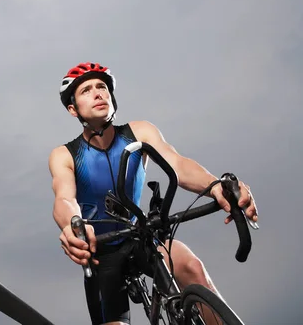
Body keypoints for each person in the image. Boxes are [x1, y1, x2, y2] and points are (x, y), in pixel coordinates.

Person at [48, 62, 259, 325]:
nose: (98, 93)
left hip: (141, 238)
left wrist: (216, 185)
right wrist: (72, 225)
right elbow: (64, 198)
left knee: (191, 266)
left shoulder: (140, 132)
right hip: (101, 252)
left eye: (102, 87)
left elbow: (178, 164)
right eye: (86, 90)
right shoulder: (64, 155)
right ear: (73, 109)